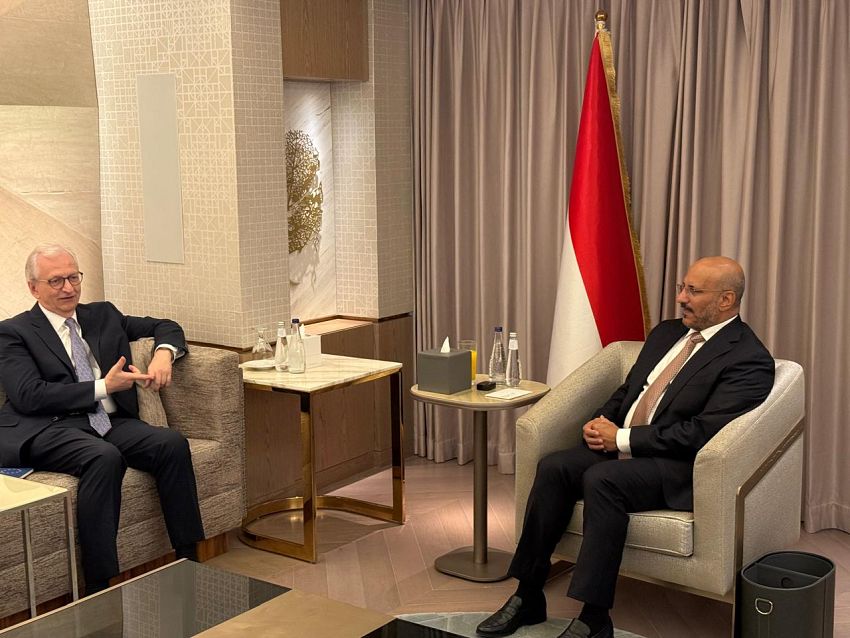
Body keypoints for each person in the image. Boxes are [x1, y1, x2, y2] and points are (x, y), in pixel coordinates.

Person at [476, 256, 775, 638]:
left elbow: (701, 433)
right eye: (681, 287)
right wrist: (600, 421)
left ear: (726, 300)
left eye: (693, 291)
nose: (681, 298)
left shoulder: (748, 358)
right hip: (621, 443)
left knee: (604, 479)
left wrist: (620, 438)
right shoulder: (667, 333)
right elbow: (630, 390)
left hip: (676, 464)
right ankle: (528, 594)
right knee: (554, 467)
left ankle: (593, 617)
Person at [0, 244, 204, 595]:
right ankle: (100, 586)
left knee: (170, 443)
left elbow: (166, 326)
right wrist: (103, 387)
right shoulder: (14, 332)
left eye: (74, 277)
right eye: (56, 281)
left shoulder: (103, 314)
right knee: (103, 457)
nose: (68, 288)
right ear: (34, 288)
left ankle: (189, 562)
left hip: (107, 421)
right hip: (50, 425)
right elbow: (28, 395)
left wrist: (163, 354)